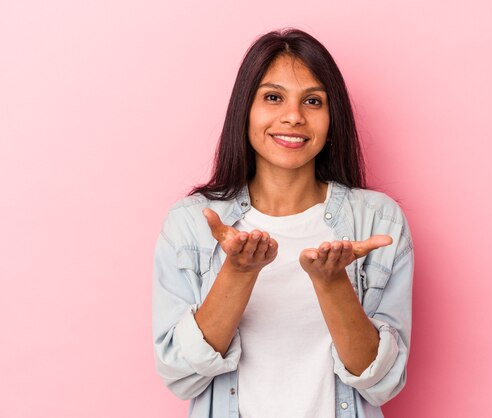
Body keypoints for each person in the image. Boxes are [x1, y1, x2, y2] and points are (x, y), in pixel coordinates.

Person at [152, 28, 414, 418]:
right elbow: (180, 374)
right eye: (273, 97)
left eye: (313, 101)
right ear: (246, 108)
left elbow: (383, 383)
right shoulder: (190, 222)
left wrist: (332, 283)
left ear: (332, 116)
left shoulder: (377, 221)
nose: (293, 117)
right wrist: (238, 272)